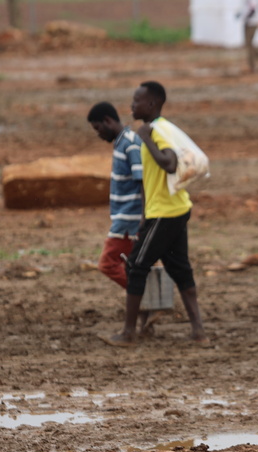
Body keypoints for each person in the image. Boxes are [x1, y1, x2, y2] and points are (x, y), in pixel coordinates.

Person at [100, 81, 207, 347]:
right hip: (172, 209)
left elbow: (170, 165)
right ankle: (199, 332)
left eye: (136, 101)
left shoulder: (155, 131)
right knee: (180, 269)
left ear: (150, 104)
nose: (131, 105)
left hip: (166, 212)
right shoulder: (163, 127)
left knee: (135, 266)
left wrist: (146, 137)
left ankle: (128, 333)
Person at [87, 101, 162, 335]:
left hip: (129, 220)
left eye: (98, 128)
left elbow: (142, 181)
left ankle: (148, 301)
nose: (99, 134)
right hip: (128, 217)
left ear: (108, 121)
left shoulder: (129, 144)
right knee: (134, 268)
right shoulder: (123, 143)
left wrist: (142, 218)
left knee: (108, 264)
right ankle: (146, 317)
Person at [239, 0, 258, 73]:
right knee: (249, 44)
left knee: (249, 44)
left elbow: (252, 9)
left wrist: (246, 16)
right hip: (249, 22)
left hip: (252, 22)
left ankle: (253, 65)